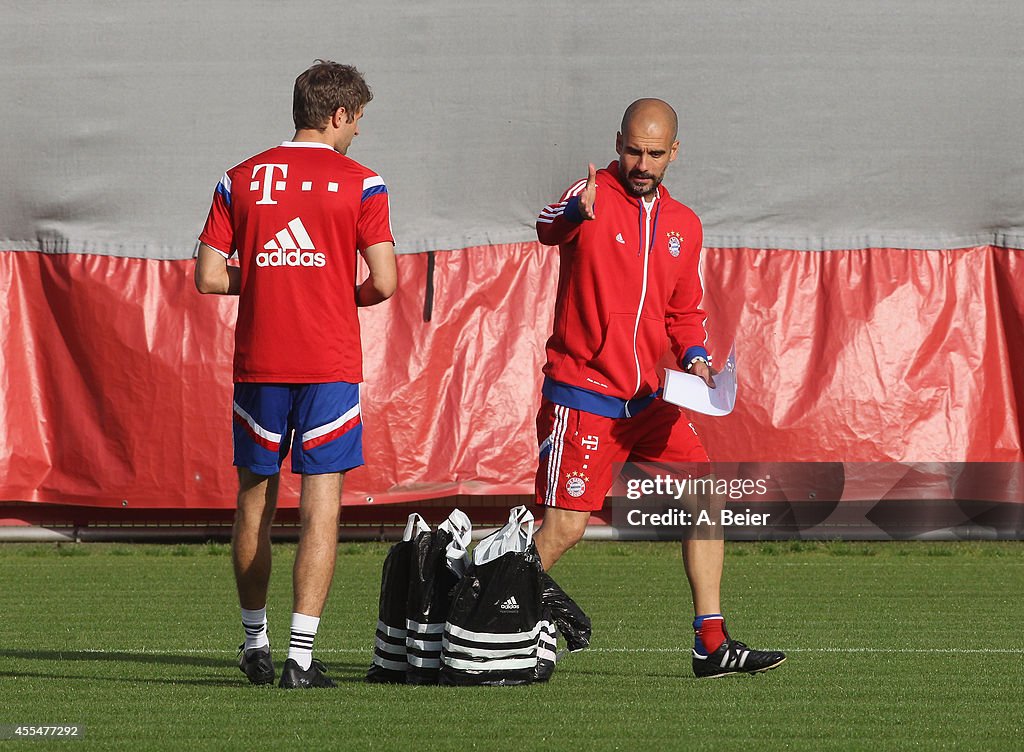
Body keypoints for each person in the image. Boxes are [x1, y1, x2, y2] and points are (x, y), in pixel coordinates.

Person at [532, 98, 785, 678]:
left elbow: (684, 312)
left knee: (705, 497)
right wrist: (574, 212)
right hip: (584, 394)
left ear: (675, 151)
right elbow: (547, 227)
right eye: (631, 150)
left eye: (653, 153)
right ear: (617, 140)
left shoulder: (684, 225)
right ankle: (492, 623)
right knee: (565, 528)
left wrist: (696, 357)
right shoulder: (589, 193)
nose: (640, 163)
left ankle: (712, 644)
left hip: (650, 401)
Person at [194, 60, 397, 689]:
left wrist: (262, 276)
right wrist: (337, 288)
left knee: (253, 504)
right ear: (339, 115)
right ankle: (300, 659)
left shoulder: (239, 179)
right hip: (328, 366)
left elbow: (206, 276)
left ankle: (254, 644)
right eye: (356, 120)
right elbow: (385, 282)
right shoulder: (363, 184)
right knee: (321, 511)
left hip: (260, 365)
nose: (357, 133)